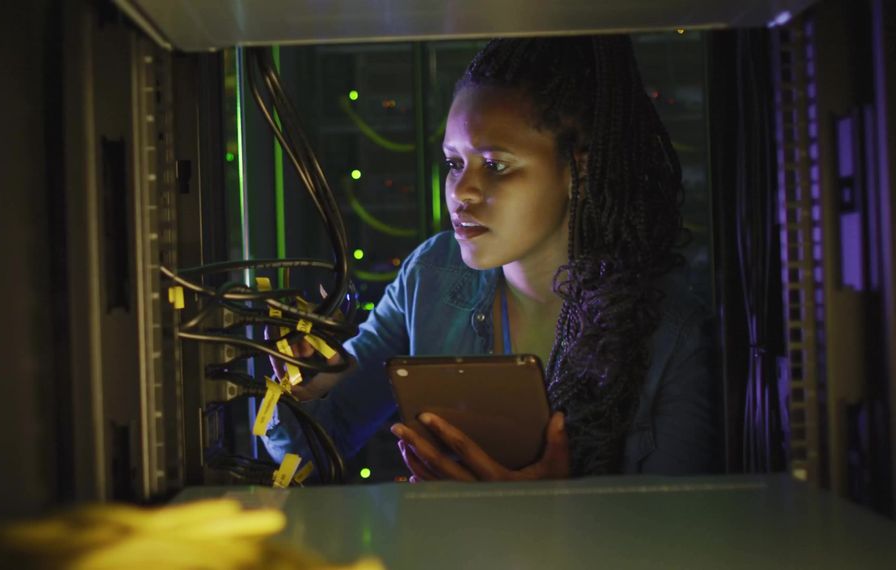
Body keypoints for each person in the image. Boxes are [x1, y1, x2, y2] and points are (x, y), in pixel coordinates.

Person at [264, 35, 718, 480]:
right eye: (454, 163)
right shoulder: (430, 278)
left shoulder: (669, 332)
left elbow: (687, 535)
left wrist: (557, 515)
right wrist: (302, 389)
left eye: (495, 165)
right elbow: (305, 457)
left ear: (580, 167)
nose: (461, 193)